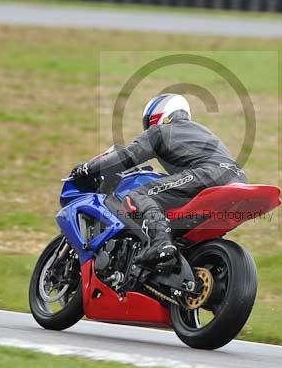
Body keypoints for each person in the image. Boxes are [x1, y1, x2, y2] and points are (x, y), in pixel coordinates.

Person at [70, 93, 247, 265]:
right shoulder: (202, 131)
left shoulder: (161, 131)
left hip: (209, 174)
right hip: (238, 178)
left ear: (157, 115)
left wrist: (88, 167)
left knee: (139, 195)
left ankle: (161, 242)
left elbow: (128, 156)